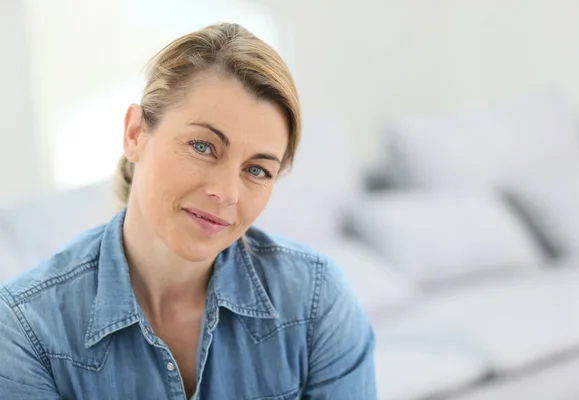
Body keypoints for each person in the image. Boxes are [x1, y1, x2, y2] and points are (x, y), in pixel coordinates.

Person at [0, 23, 376, 399]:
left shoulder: (317, 302)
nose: (226, 193)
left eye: (257, 170)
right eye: (202, 146)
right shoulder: (25, 328)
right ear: (135, 134)